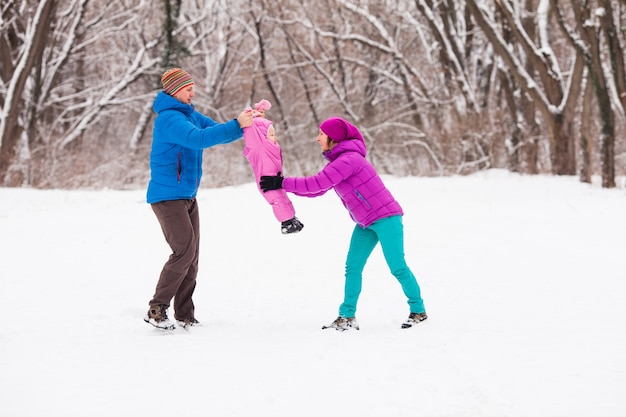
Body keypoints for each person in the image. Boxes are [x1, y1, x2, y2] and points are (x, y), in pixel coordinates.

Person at [260, 117, 426, 330]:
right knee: (353, 267)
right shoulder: (341, 161)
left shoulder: (349, 160)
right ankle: (347, 316)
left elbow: (316, 183)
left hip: (387, 218)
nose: (317, 138)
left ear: (333, 138)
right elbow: (318, 190)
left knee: (397, 267)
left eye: (321, 134)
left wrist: (282, 182)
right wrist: (282, 186)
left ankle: (418, 310)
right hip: (366, 222)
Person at [144, 67, 254, 330]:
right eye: (187, 88)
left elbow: (218, 131)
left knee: (192, 257)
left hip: (187, 196)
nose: (193, 92)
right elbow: (200, 139)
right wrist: (238, 124)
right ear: (173, 90)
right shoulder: (169, 119)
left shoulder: (189, 115)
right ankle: (157, 309)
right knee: (183, 250)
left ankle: (185, 315)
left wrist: (248, 123)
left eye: (192, 87)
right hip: (167, 196)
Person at [242, 99, 303, 234]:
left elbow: (261, 128)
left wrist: (260, 117)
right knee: (277, 199)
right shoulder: (259, 146)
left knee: (282, 196)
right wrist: (250, 116)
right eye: (271, 135)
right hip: (266, 182)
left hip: (275, 179)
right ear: (262, 136)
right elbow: (251, 131)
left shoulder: (269, 146)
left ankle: (291, 218)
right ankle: (286, 222)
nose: (275, 138)